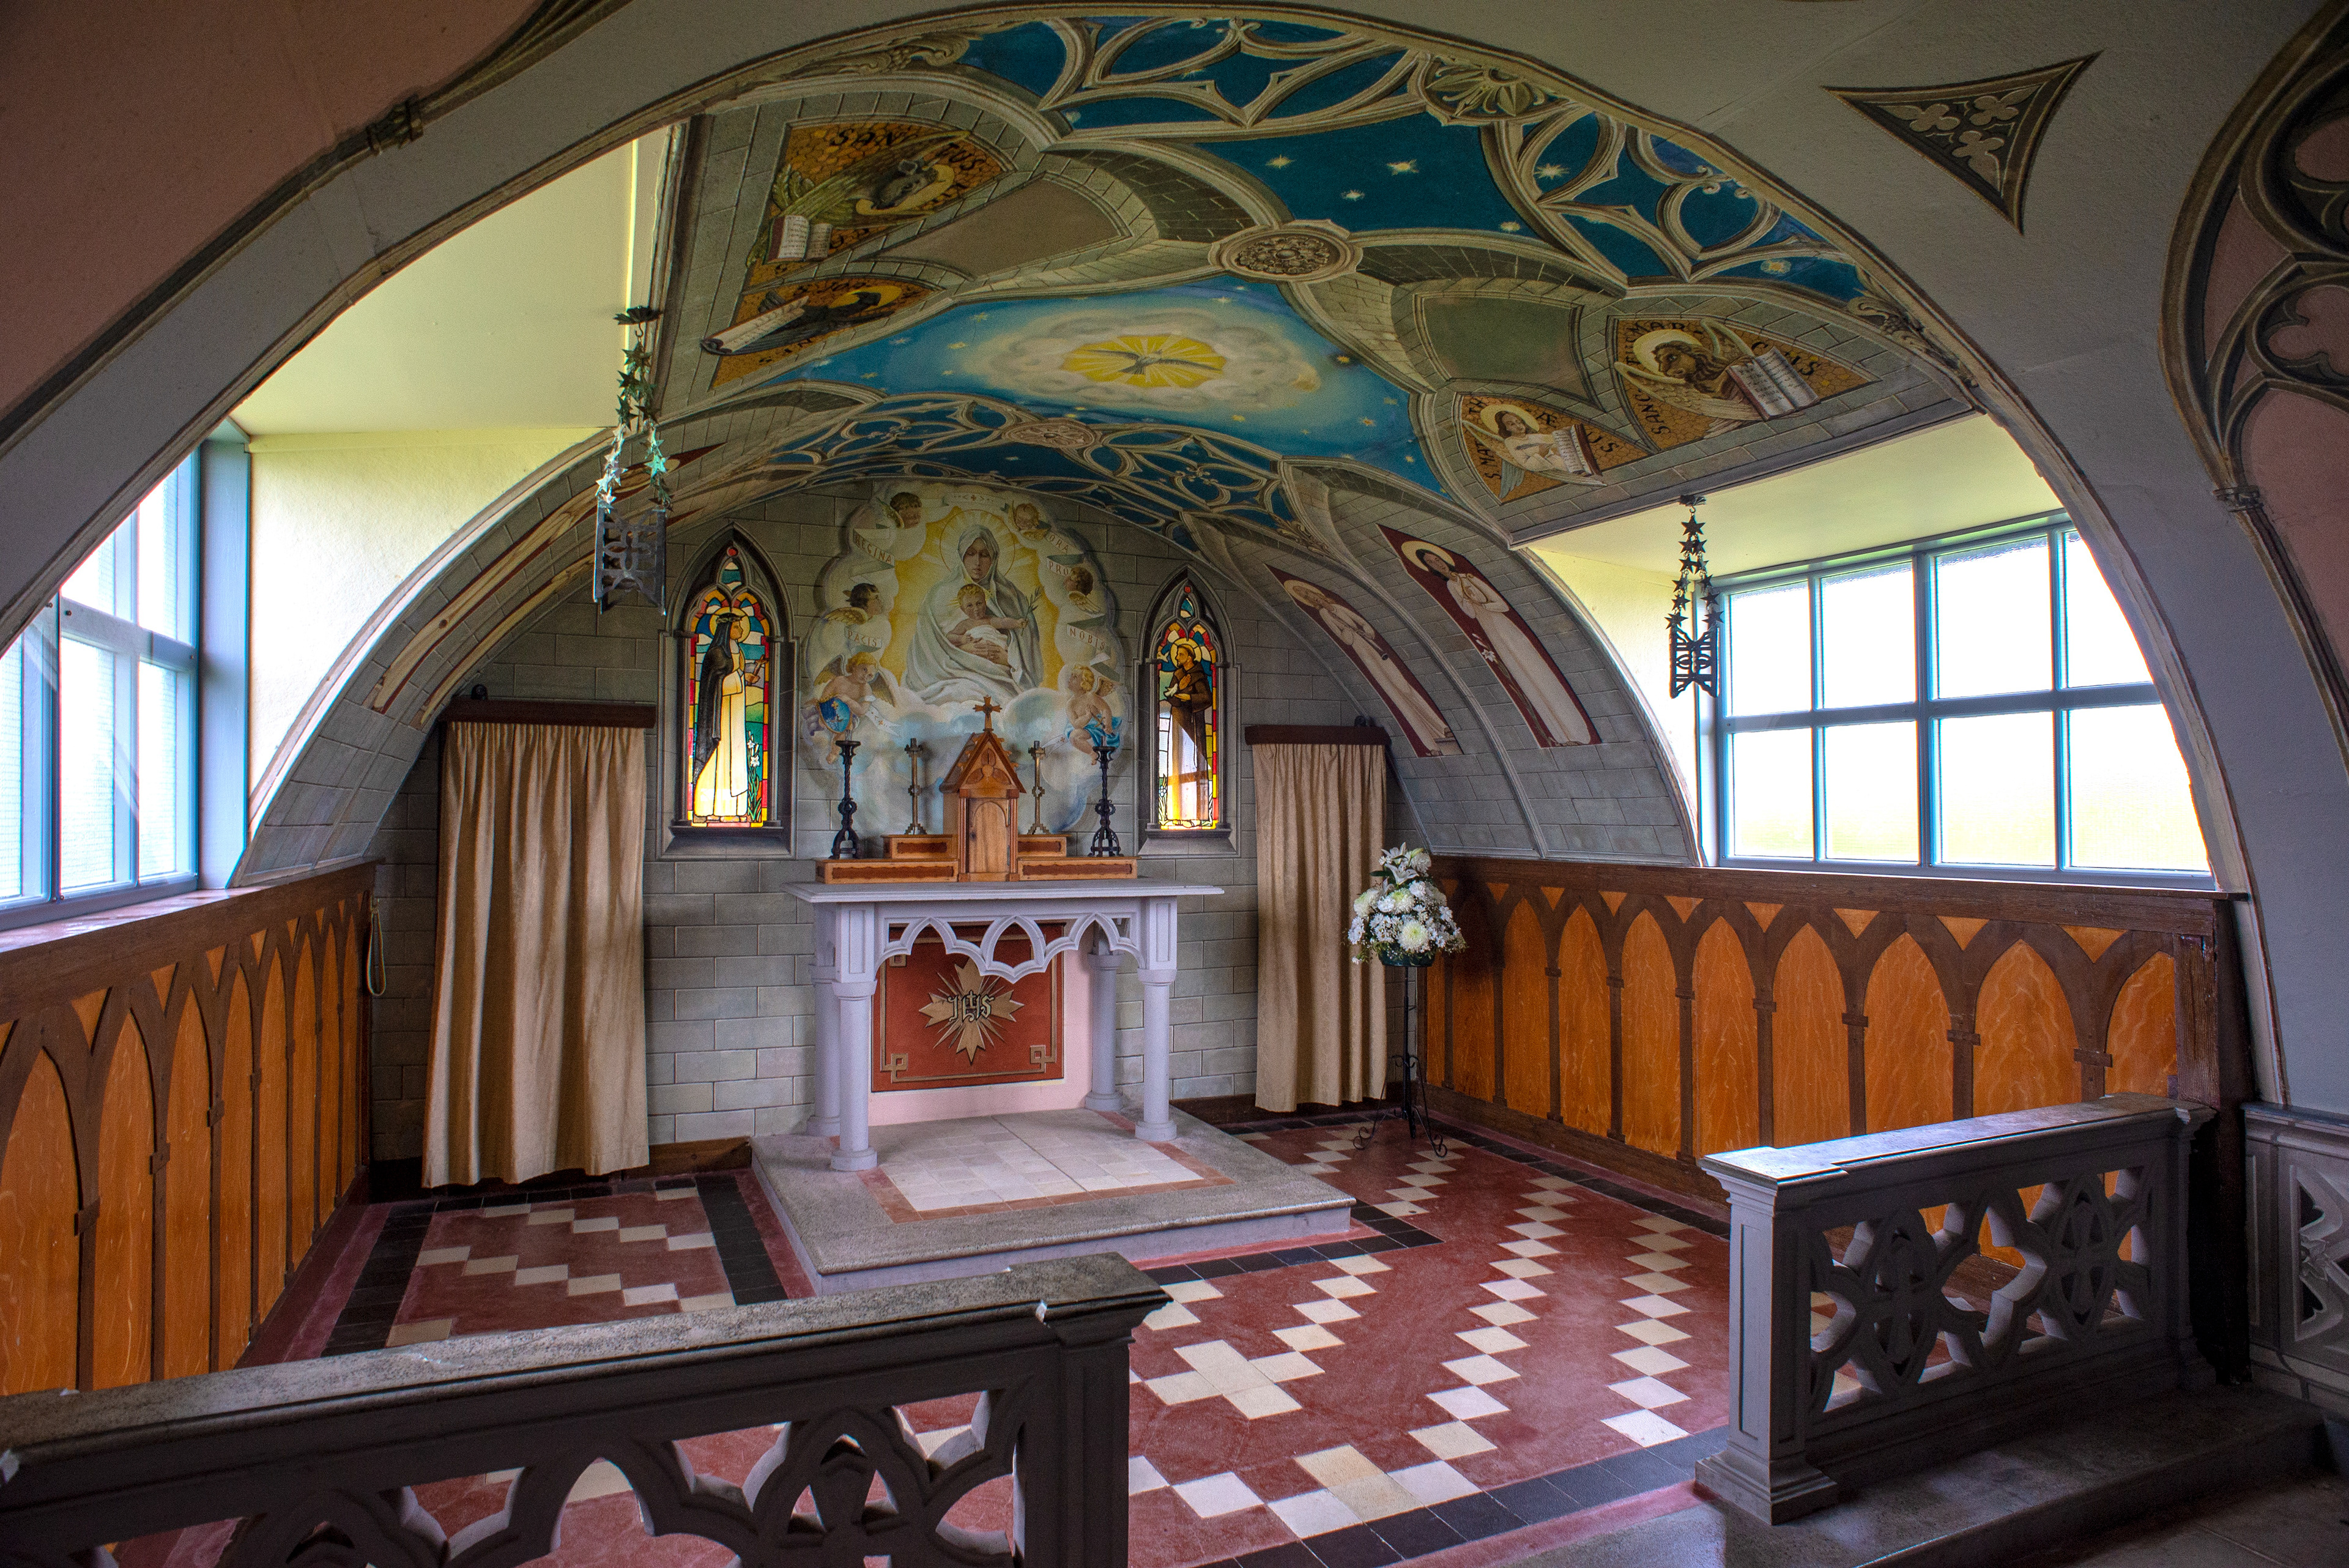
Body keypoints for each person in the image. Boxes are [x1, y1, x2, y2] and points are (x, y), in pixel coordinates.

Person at [1409, 544, 1594, 745]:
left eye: (1437, 559)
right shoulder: (1451, 586)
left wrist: (1482, 603)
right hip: (1490, 629)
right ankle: (1560, 736)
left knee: (1537, 672)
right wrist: (1469, 601)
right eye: (1431, 563)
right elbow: (1470, 614)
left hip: (1504, 626)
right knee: (1522, 677)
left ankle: (1576, 732)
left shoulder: (1470, 578)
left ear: (1443, 559)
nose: (1437, 564)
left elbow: (1502, 605)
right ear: (1431, 568)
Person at [1282, 580, 1459, 754]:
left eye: (1309, 593)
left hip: (1375, 648)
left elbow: (1363, 622)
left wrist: (1367, 632)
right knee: (1395, 696)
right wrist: (1350, 632)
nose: (1311, 597)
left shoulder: (1338, 608)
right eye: (1306, 597)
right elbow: (1343, 638)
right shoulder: (1324, 614)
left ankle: (1442, 727)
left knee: (1404, 687)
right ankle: (1430, 744)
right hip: (1363, 652)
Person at [904, 526, 1042, 704]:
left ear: (994, 558)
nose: (977, 562)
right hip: (951, 674)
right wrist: (966, 650)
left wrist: (1009, 658)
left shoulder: (1012, 597)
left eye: (984, 555)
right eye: (971, 554)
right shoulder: (939, 594)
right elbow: (926, 649)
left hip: (1001, 674)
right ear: (961, 556)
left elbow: (1028, 647)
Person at [691, 613, 755, 817]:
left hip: (736, 711)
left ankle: (736, 809)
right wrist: (740, 678)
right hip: (720, 714)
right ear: (726, 629)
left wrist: (744, 678)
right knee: (721, 754)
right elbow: (715, 685)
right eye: (737, 627)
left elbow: (733, 678)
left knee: (736, 755)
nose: (741, 631)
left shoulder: (739, 651)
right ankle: (710, 808)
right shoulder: (716, 654)